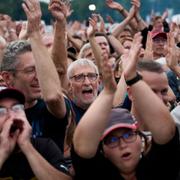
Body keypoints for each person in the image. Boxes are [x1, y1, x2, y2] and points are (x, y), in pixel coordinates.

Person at [71, 33, 180, 180]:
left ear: (141, 141)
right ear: (103, 150)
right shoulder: (98, 174)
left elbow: (167, 133)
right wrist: (108, 93)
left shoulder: (157, 169)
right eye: (112, 140)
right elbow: (81, 147)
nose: (122, 144)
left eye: (129, 135)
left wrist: (132, 78)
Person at [1, 0, 69, 151]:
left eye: (42, 69)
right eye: (31, 70)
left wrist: (60, 23)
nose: (40, 77)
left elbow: (54, 91)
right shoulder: (2, 111)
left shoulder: (53, 107)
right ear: (7, 78)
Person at [0, 86, 71, 180]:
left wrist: (27, 146)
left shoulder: (45, 146)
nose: (11, 116)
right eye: (1, 111)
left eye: (16, 108)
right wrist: (3, 151)